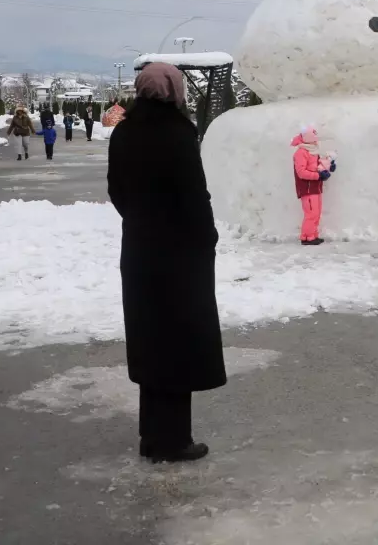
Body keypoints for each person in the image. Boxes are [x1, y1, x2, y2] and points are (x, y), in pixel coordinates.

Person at [107, 62, 225, 463]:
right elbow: (195, 196)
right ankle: (173, 440)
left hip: (139, 251)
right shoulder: (178, 132)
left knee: (151, 341)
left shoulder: (124, 132)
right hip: (179, 256)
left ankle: (151, 436)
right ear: (175, 91)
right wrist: (206, 238)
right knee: (179, 343)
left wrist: (141, 221)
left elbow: (116, 190)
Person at [291, 125, 336, 245]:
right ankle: (306, 237)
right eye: (314, 137)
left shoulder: (312, 150)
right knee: (310, 214)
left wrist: (329, 165)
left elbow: (318, 165)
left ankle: (312, 235)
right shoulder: (301, 153)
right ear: (308, 138)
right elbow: (301, 172)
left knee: (316, 213)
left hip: (316, 187)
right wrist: (318, 176)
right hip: (307, 188)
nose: (316, 140)